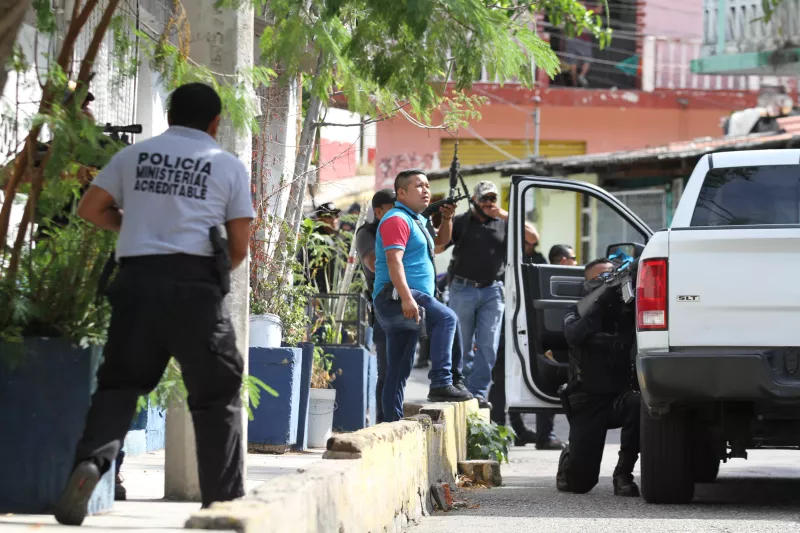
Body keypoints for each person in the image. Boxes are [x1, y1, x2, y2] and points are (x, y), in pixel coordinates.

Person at [54, 82, 255, 525]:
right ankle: (221, 505)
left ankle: (92, 464)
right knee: (216, 395)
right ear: (216, 122)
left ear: (169, 116)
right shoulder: (227, 166)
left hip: (137, 283)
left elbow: (91, 208)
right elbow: (239, 247)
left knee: (119, 386)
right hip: (195, 289)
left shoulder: (132, 156)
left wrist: (134, 228)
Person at [373, 169, 471, 422]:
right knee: (448, 318)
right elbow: (394, 261)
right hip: (396, 295)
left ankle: (390, 424)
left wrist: (447, 219)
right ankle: (442, 381)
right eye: (419, 185)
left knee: (399, 369)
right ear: (402, 193)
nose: (426, 190)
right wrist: (407, 298)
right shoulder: (396, 218)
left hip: (409, 297)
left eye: (427, 185)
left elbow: (438, 245)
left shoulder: (417, 220)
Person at [446, 181, 539, 408]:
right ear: (474, 201)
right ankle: (461, 389)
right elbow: (439, 246)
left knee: (488, 345)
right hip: (463, 288)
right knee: (462, 343)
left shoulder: (504, 222)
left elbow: (533, 237)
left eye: (493, 199)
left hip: (492, 291)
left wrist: (506, 215)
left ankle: (477, 392)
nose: (489, 203)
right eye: (484, 199)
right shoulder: (462, 222)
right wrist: (446, 219)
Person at [556, 258, 641, 497]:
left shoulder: (626, 309)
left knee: (639, 405)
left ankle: (623, 473)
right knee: (580, 484)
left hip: (618, 398)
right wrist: (597, 306)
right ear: (587, 285)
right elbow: (574, 335)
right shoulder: (576, 310)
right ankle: (568, 460)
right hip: (588, 401)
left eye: (611, 277)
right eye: (601, 279)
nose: (608, 283)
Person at [355, 189, 397, 423]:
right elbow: (372, 263)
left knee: (400, 370)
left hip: (404, 302)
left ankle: (394, 418)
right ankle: (384, 422)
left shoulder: (404, 227)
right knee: (386, 370)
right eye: (393, 206)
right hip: (382, 304)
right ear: (379, 211)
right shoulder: (368, 232)